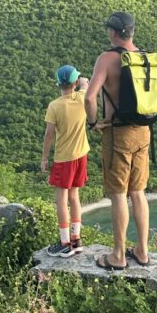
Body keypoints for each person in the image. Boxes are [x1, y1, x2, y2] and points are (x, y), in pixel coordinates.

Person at [85, 12, 157, 270]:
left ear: (113, 33)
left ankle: (119, 256)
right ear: (132, 32)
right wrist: (153, 114)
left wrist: (93, 123)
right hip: (144, 132)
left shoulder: (108, 59)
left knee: (118, 194)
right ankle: (143, 252)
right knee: (138, 192)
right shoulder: (145, 58)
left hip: (118, 133)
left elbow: (90, 97)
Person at [41, 64, 90, 257]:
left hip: (63, 159)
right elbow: (86, 82)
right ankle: (76, 240)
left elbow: (49, 135)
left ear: (58, 84)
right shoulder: (82, 97)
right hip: (81, 155)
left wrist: (44, 158)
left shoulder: (54, 106)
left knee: (61, 200)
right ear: (75, 83)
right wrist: (82, 83)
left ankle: (64, 243)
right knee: (74, 197)